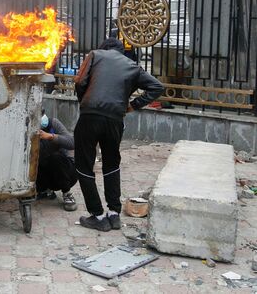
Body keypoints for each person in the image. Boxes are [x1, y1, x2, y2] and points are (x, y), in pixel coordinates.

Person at [74, 38, 164, 232]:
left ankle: (97, 215)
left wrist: (84, 101)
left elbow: (80, 81)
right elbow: (157, 87)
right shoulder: (132, 66)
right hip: (115, 119)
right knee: (111, 164)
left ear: (103, 48)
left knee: (83, 164)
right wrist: (132, 106)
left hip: (90, 116)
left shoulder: (95, 55)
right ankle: (114, 214)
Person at [36, 110, 78, 211]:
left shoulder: (53, 124)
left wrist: (51, 137)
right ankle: (45, 190)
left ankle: (67, 193)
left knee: (55, 157)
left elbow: (72, 143)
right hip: (45, 174)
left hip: (66, 173)